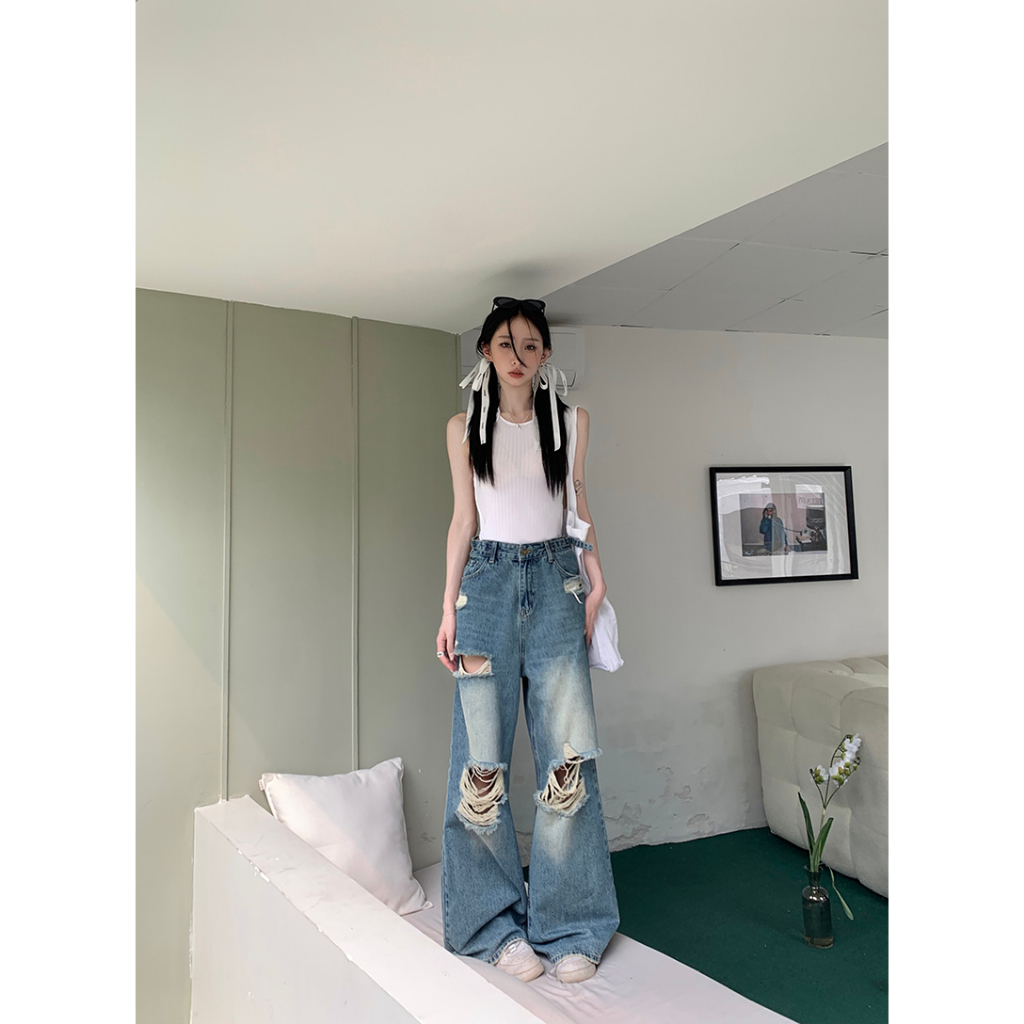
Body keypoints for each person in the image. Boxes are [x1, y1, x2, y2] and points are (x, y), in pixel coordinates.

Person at [435, 297, 620, 985]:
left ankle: (570, 926)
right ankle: (490, 927)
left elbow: (578, 505)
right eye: (506, 344)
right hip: (483, 588)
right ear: (486, 351)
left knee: (567, 757)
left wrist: (596, 580)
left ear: (545, 355)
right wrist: (446, 608)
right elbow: (463, 520)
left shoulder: (571, 422)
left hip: (556, 580)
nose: (519, 356)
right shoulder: (463, 428)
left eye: (532, 345)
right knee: (480, 761)